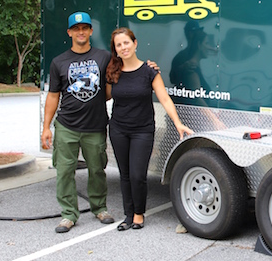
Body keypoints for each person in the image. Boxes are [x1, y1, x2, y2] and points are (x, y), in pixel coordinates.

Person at [106, 27, 194, 231]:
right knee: (125, 174)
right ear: (116, 50)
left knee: (138, 174)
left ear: (135, 44)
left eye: (126, 43)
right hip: (118, 129)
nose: (123, 47)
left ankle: (139, 213)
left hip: (142, 130)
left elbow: (164, 98)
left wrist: (177, 122)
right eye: (118, 45)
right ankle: (128, 215)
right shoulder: (112, 72)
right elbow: (106, 96)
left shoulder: (149, 71)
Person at [41, 12, 116, 233]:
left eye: (85, 28)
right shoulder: (59, 62)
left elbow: (112, 87)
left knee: (97, 170)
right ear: (69, 32)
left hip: (95, 126)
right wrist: (46, 127)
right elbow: (53, 95)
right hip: (66, 126)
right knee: (64, 171)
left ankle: (100, 208)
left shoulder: (104, 57)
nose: (80, 32)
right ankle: (68, 214)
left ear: (91, 31)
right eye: (76, 28)